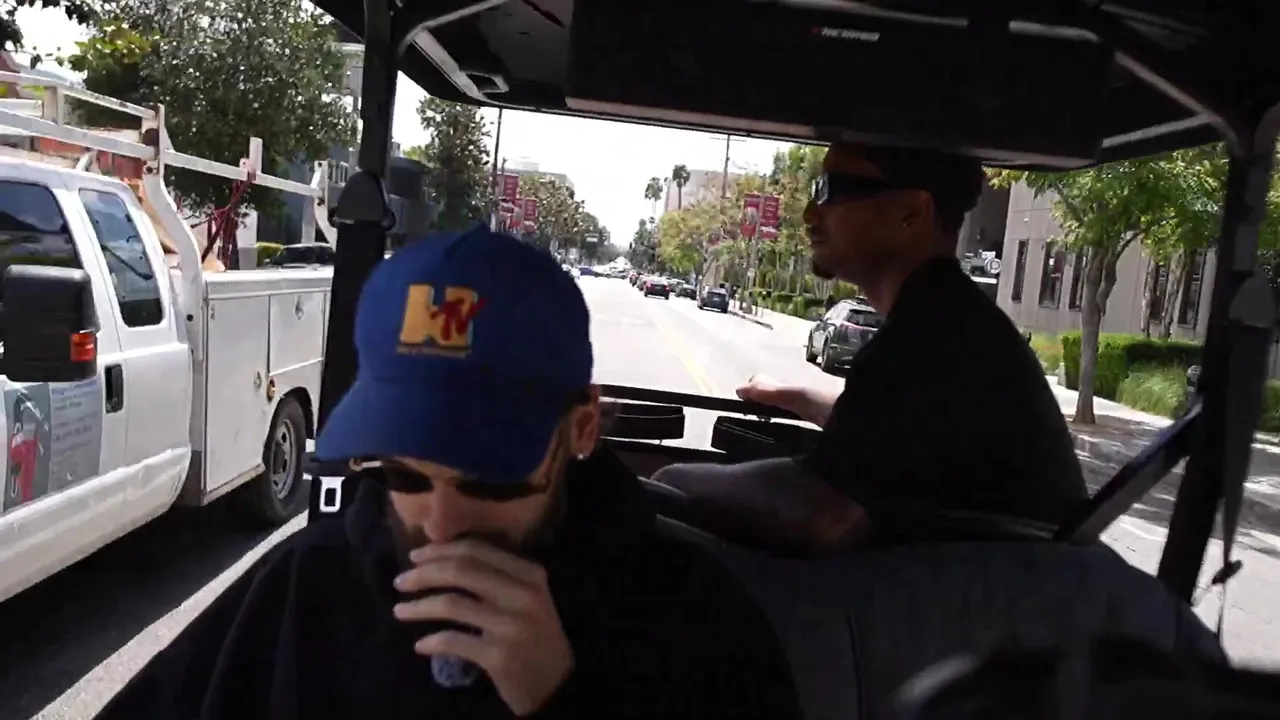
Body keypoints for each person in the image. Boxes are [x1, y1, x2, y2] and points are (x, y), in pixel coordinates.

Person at [96, 225, 802, 720]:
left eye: (490, 479)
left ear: (582, 428)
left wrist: (560, 698)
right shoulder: (309, 584)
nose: (439, 525)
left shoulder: (697, 622)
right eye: (403, 476)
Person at [654, 142, 1088, 551]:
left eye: (832, 189)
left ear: (911, 212)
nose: (809, 213)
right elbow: (886, 428)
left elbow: (824, 516)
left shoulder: (929, 336)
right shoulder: (949, 318)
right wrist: (789, 395)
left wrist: (671, 482)